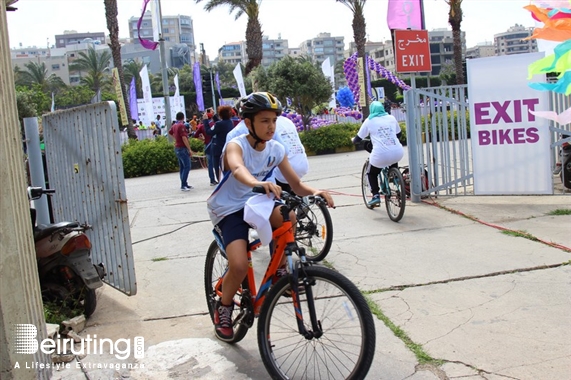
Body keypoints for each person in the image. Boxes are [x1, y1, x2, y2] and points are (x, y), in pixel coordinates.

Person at [206, 92, 334, 342]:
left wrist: (316, 191)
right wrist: (257, 182)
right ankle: (223, 307)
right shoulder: (236, 144)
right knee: (240, 265)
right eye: (264, 121)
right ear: (248, 123)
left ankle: (280, 271)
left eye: (274, 121)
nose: (271, 126)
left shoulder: (276, 149)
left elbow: (295, 184)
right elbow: (237, 167)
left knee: (290, 217)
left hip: (258, 203)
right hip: (229, 208)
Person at [352, 101, 404, 207]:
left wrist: (353, 140)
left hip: (380, 154)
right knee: (392, 159)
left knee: (372, 173)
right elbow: (399, 134)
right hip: (398, 152)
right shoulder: (391, 118)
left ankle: (375, 195)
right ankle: (395, 177)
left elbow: (358, 138)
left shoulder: (369, 121)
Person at [205, 105, 234, 184]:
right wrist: (214, 115)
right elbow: (220, 123)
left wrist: (205, 121)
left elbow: (209, 132)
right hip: (226, 149)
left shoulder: (219, 124)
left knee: (217, 168)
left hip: (218, 149)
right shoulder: (230, 122)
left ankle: (220, 182)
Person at [168, 112, 196, 191]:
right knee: (187, 166)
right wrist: (189, 149)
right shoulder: (181, 126)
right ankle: (183, 185)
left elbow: (170, 132)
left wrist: (176, 139)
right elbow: (184, 138)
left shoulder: (174, 125)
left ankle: (184, 183)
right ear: (183, 118)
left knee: (182, 167)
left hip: (177, 147)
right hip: (182, 148)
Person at [193, 114, 216, 185]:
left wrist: (202, 139)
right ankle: (221, 178)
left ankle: (212, 180)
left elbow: (195, 135)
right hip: (216, 144)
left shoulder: (202, 126)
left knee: (210, 164)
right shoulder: (215, 124)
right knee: (218, 163)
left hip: (207, 145)